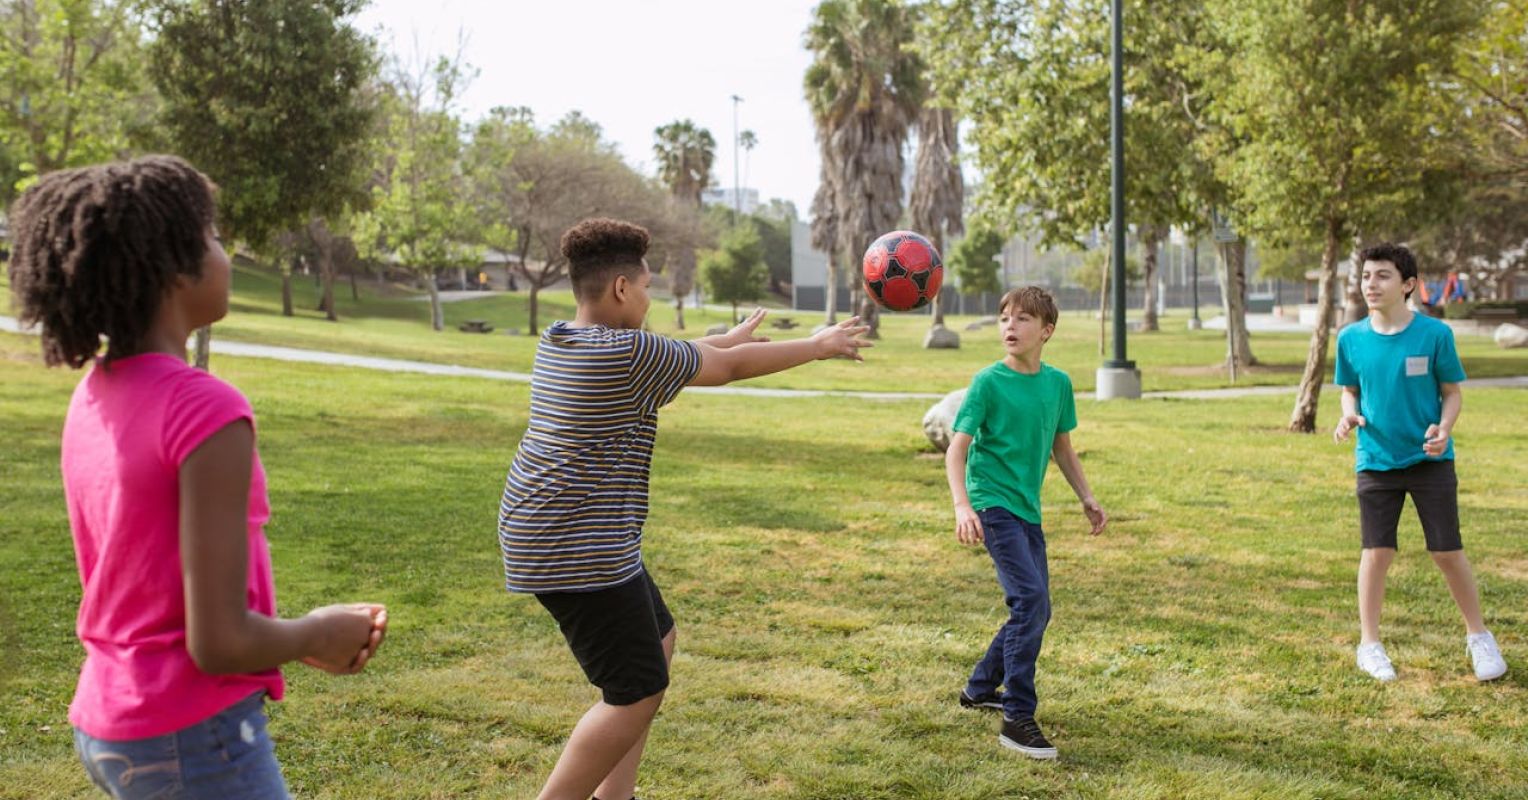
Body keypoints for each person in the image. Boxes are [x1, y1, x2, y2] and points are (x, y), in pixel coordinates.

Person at [6, 156, 388, 799]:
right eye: (212, 235)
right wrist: (317, 632)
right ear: (171, 265)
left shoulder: (94, 391)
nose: (225, 251)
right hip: (191, 735)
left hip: (112, 719)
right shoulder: (205, 408)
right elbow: (219, 640)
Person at [499, 218, 870, 800]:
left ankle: (613, 795)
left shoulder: (563, 337)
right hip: (575, 545)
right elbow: (722, 369)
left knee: (659, 641)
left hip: (565, 532)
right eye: (648, 289)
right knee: (635, 691)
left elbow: (691, 351)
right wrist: (818, 346)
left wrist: (732, 335)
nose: (650, 300)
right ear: (622, 288)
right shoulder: (625, 353)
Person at [944, 286, 1107, 760]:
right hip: (992, 505)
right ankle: (1017, 717)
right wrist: (962, 506)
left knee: (1035, 608)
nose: (1009, 327)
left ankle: (978, 689)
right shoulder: (988, 382)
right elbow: (958, 448)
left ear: (1047, 331)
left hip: (1027, 509)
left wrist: (1087, 497)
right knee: (1030, 600)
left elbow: (1062, 447)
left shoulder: (1057, 384)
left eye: (1022, 320)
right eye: (1003, 319)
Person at [1333, 243, 1507, 683]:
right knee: (1377, 551)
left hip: (1430, 459)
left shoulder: (1434, 335)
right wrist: (1347, 413)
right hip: (1375, 459)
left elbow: (1452, 392)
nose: (1371, 283)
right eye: (1367, 275)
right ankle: (1369, 645)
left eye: (1383, 275)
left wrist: (1444, 429)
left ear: (1408, 285)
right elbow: (1349, 388)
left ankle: (1479, 638)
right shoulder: (1350, 338)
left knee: (1447, 551)